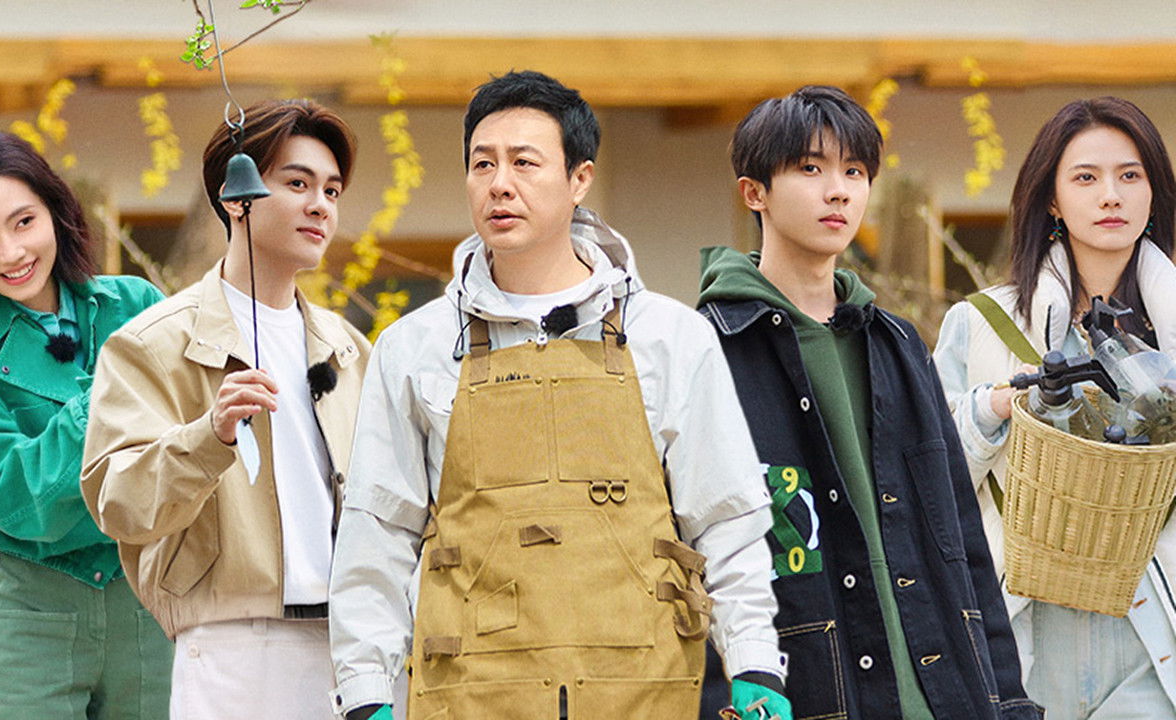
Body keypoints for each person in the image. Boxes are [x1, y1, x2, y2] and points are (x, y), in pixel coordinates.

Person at [327, 70, 788, 720]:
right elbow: (377, 532)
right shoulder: (415, 347)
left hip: (645, 692)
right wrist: (365, 692)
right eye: (482, 164)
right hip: (471, 696)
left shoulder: (669, 337)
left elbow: (726, 518)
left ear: (579, 179)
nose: (499, 183)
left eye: (524, 162)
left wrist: (755, 664)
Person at [697, 86, 1040, 720]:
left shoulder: (898, 345)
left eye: (854, 172)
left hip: (944, 697)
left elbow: (961, 540)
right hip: (805, 694)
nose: (839, 192)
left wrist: (1009, 699)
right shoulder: (708, 350)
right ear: (754, 193)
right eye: (811, 169)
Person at [80, 99, 370, 720]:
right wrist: (208, 437)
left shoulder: (350, 351)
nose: (321, 206)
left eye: (331, 190)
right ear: (236, 198)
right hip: (232, 643)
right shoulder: (152, 344)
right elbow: (117, 500)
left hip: (354, 647)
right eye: (297, 184)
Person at [0, 132, 170, 719]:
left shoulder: (138, 306)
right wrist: (105, 395)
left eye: (24, 222)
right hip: (30, 615)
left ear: (56, 212)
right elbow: (20, 502)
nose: (12, 252)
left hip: (147, 600)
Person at [934, 96, 1176, 719]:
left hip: (1155, 631)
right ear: (1051, 200)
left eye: (1130, 175)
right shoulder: (979, 323)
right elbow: (926, 476)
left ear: (1154, 193)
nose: (1111, 196)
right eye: (1086, 178)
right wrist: (992, 407)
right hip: (1026, 626)